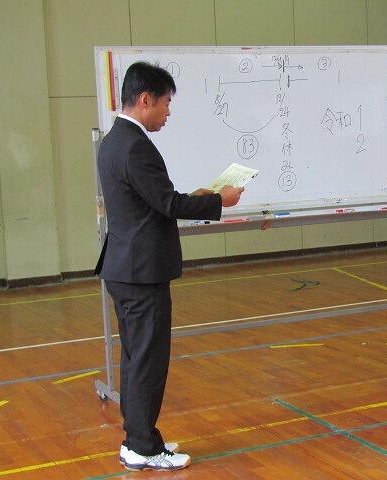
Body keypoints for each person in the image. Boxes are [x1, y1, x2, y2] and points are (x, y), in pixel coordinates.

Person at [94, 61, 244, 471]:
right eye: (165, 103)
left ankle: (138, 439)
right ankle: (143, 447)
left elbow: (153, 202)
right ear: (145, 99)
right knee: (148, 361)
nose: (168, 112)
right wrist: (219, 201)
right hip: (141, 272)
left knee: (135, 358)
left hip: (125, 267)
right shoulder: (135, 145)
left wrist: (196, 196)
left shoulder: (113, 141)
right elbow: (168, 204)